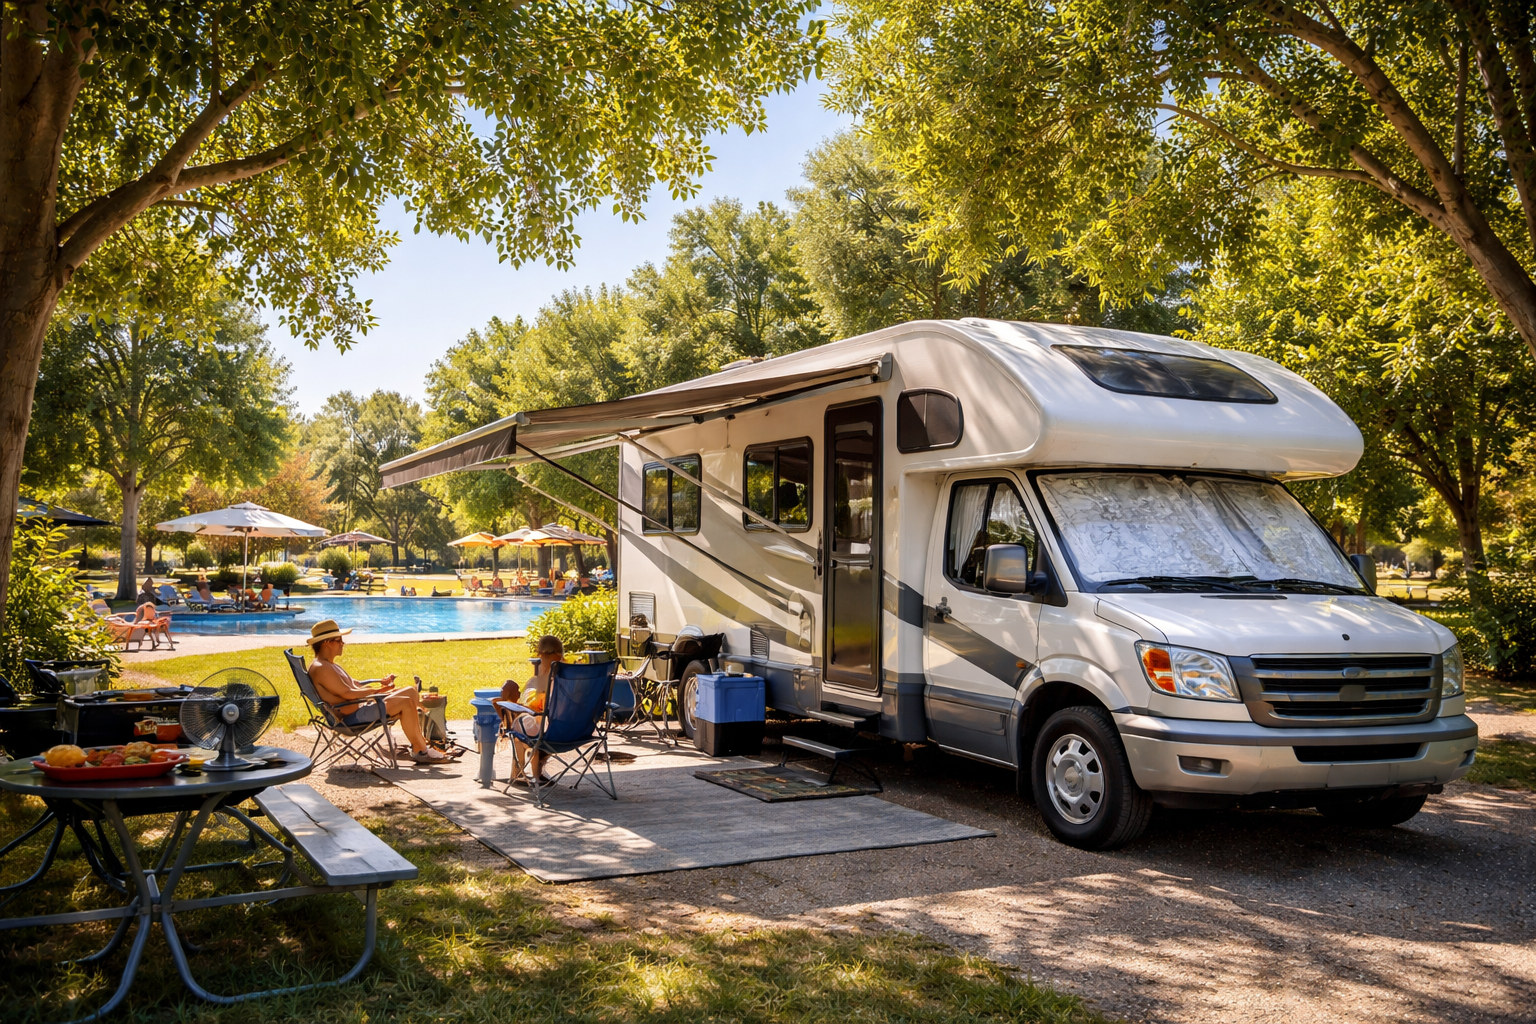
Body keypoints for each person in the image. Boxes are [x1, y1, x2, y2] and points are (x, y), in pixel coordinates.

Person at [304, 619, 447, 763]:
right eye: (339, 640)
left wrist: (382, 686)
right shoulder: (322, 668)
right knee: (406, 702)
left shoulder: (329, 665)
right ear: (327, 642)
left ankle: (421, 743)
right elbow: (348, 693)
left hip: (359, 709)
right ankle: (421, 750)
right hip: (352, 718)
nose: (343, 643)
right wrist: (379, 692)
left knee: (410, 691)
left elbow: (355, 685)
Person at [509, 634, 564, 784]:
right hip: (577, 732)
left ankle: (519, 772)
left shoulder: (547, 680)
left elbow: (539, 706)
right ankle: (537, 770)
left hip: (550, 734)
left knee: (518, 727)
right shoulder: (574, 677)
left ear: (543, 655)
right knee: (533, 724)